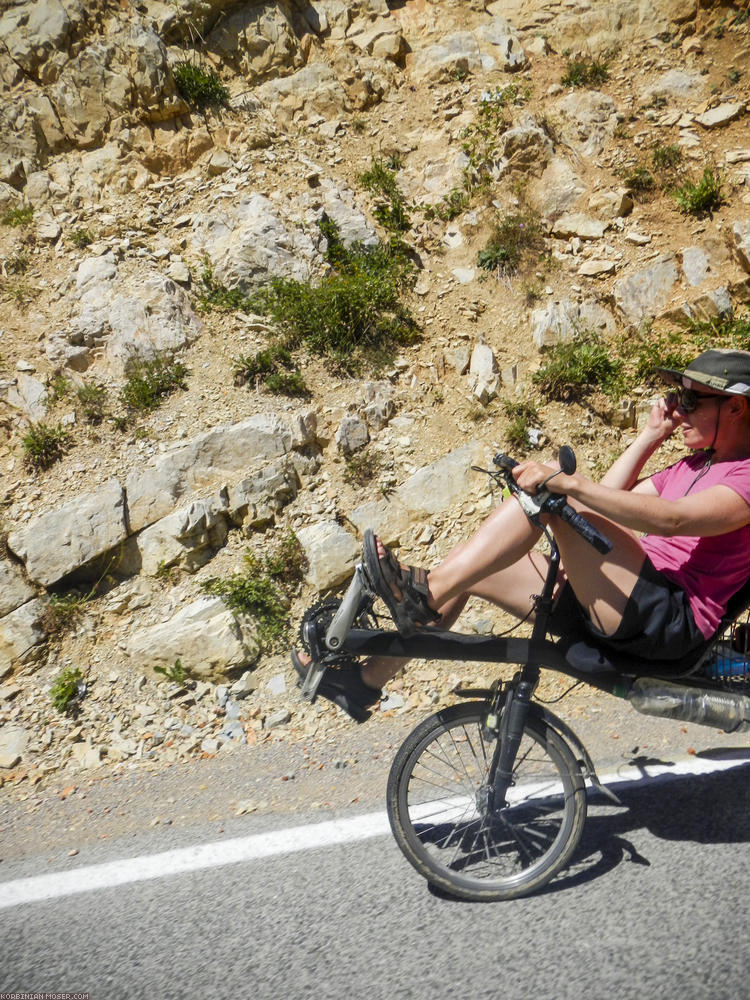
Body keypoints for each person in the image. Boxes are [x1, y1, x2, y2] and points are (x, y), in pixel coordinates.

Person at [293, 348, 750, 721]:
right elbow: (603, 499)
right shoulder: (695, 465)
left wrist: (564, 483)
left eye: (691, 401)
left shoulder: (746, 479)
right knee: (478, 565)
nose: (677, 408)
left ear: (735, 407)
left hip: (667, 621)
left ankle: (424, 594)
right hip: (624, 601)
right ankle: (363, 682)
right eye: (677, 397)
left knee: (553, 493)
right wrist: (648, 437)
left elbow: (671, 521)